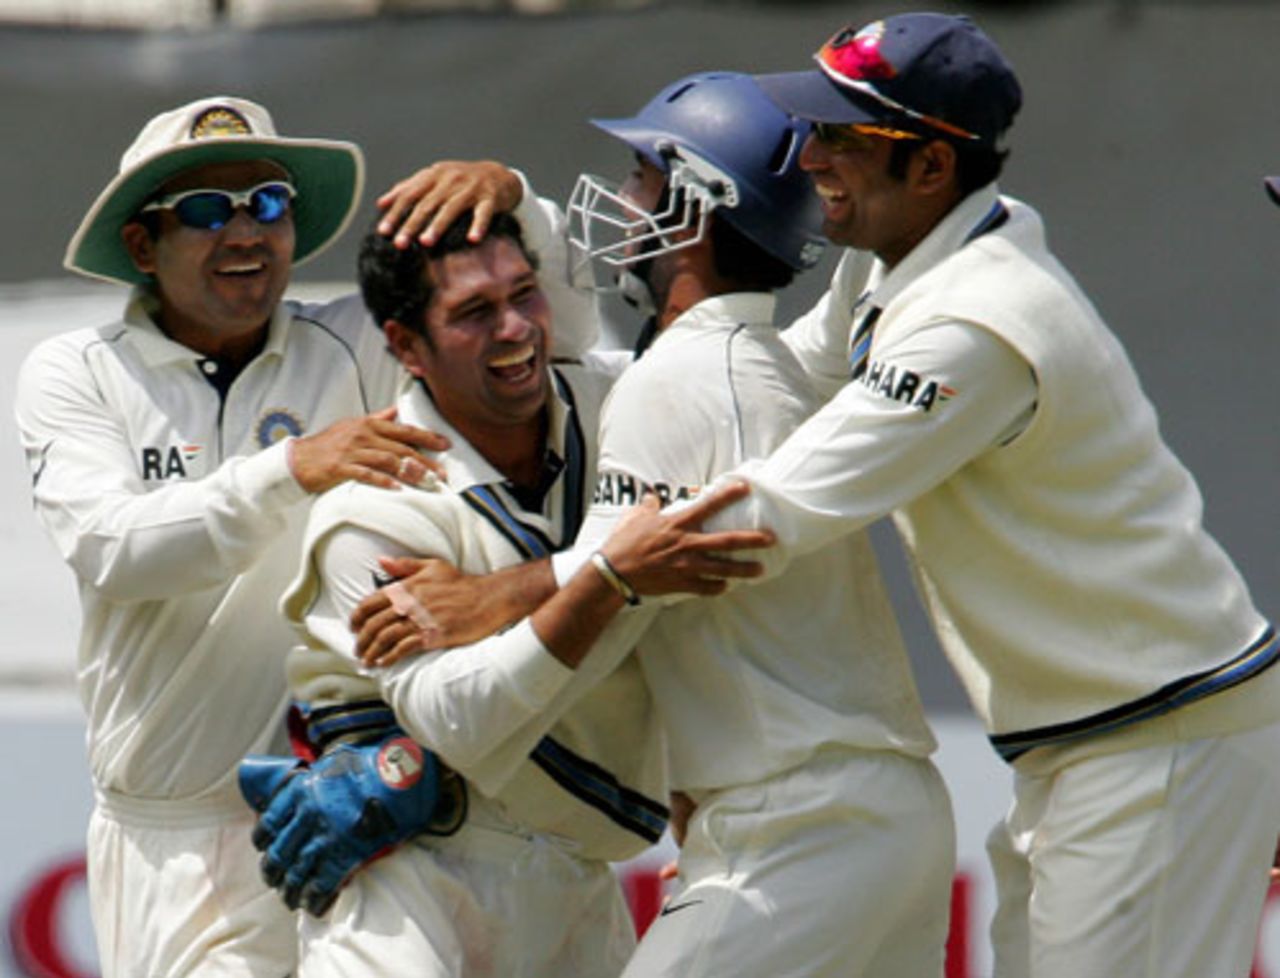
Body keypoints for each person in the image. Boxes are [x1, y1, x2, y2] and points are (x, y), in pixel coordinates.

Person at [594, 13, 1278, 978]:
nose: (813, 158)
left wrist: (547, 587)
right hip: (1095, 747)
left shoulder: (974, 322)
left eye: (844, 137)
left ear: (929, 169)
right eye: (814, 128)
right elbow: (757, 386)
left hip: (1157, 742)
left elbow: (770, 512)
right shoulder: (910, 270)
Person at [330, 72, 955, 977]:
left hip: (798, 831)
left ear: (693, 209)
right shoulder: (759, 363)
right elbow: (623, 567)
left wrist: (479, 600)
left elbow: (613, 589)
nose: (621, 203)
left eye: (639, 178)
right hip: (877, 814)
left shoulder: (675, 379)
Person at [11, 95, 460, 977]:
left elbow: (550, 341)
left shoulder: (358, 343)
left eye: (268, 203)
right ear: (143, 247)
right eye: (206, 212)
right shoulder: (81, 373)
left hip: (360, 801)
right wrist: (294, 466)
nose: (246, 232)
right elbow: (116, 550)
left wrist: (513, 197)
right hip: (171, 835)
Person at [269, 206, 770, 977]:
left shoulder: (617, 407)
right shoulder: (368, 512)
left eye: (524, 294)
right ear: (406, 346)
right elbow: (463, 722)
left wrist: (524, 592)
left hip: (576, 875)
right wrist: (608, 580)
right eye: (473, 312)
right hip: (409, 875)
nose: (515, 329)